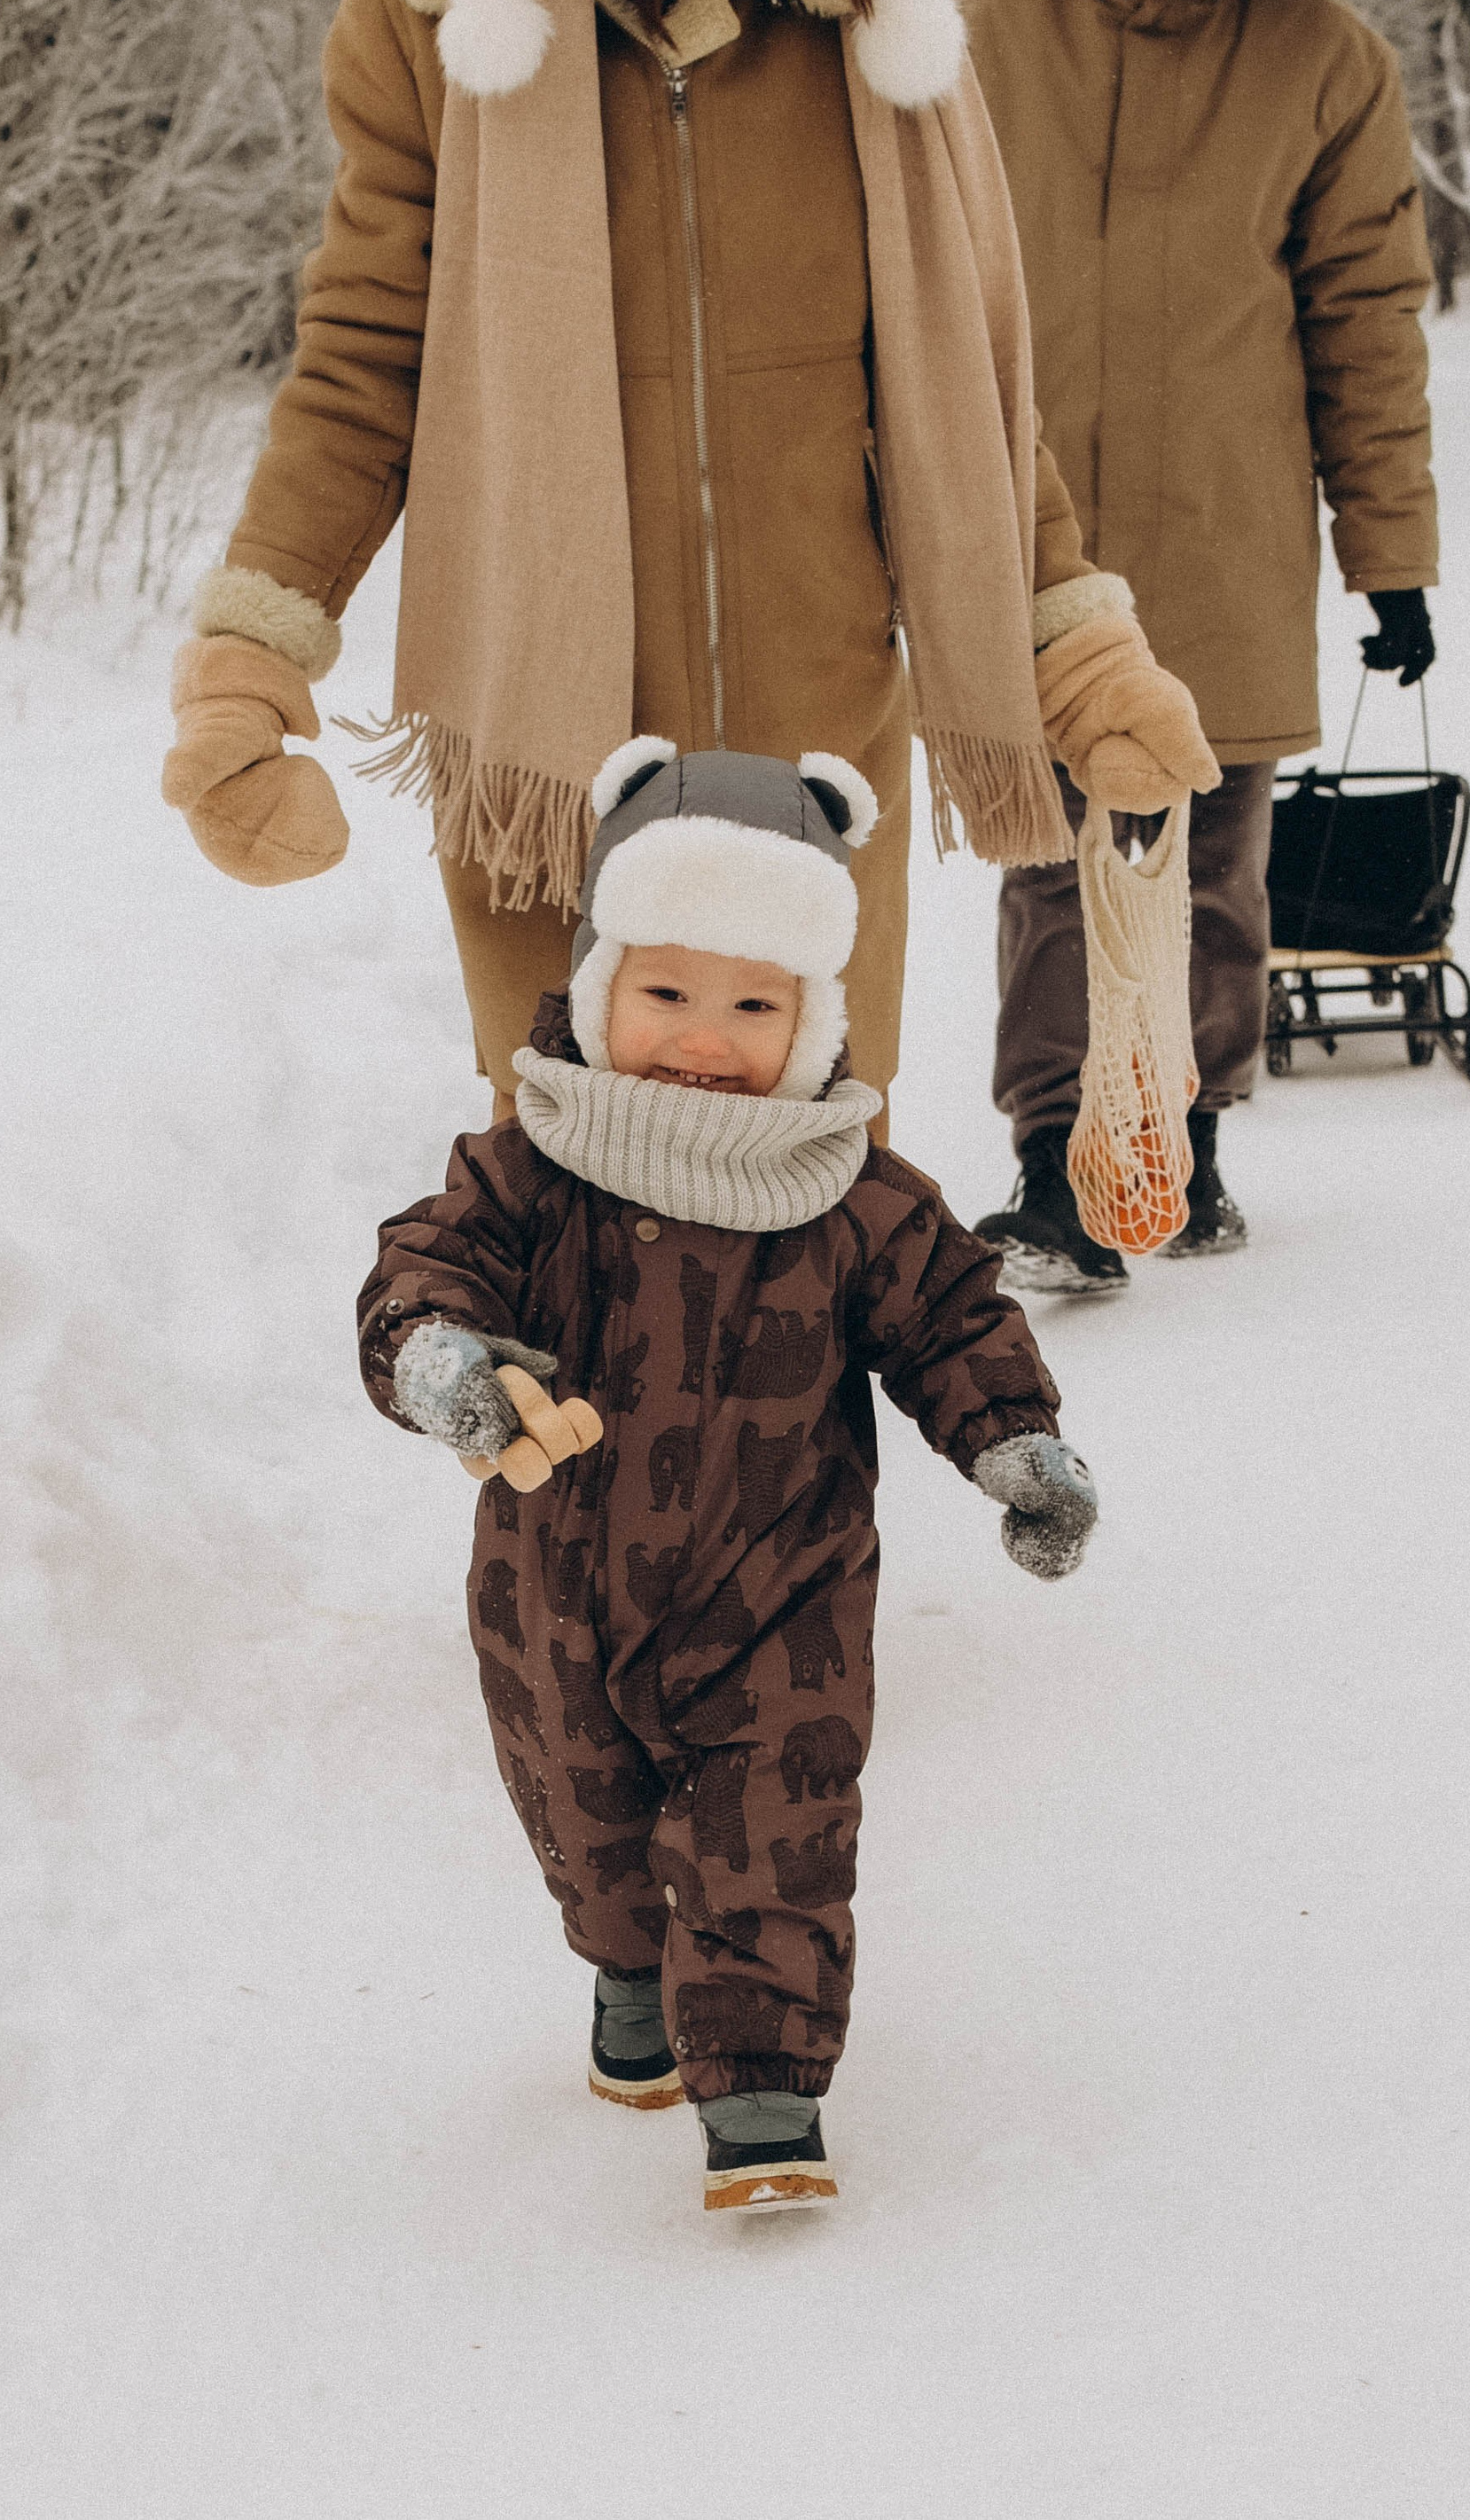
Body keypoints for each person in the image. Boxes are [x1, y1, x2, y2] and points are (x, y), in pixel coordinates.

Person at [160, 0, 1216, 1116]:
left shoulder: (877, 6)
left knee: (805, 1212)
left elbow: (966, 376)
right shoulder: (437, 15)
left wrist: (1078, 660)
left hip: (813, 740)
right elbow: (367, 356)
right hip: (544, 732)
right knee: (567, 1214)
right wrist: (250, 660)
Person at [356, 740, 1100, 2215]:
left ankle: (761, 2084)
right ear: (597, 986)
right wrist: (440, 1359)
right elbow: (419, 1268)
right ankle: (630, 1967)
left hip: (785, 1591)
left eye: (756, 1003)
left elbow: (954, 1315)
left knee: (779, 1825)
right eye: (667, 993)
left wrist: (1013, 1443)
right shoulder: (532, 1163)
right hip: (555, 1586)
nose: (705, 1038)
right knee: (586, 1812)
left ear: (815, 1017)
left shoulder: (849, 1189)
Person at [965, 0, 1439, 1290]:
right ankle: (1053, 1158)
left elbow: (1366, 319)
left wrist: (1395, 565)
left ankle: (1187, 1140)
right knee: (1046, 859)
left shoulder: (1328, 62)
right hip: (1034, 541)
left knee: (1210, 858)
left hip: (1230, 538)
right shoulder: (975, 42)